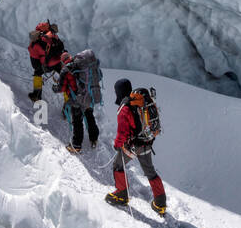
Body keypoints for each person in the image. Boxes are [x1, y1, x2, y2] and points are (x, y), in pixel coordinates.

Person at [105, 78, 167, 215]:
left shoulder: (124, 108)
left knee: (118, 166)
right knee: (150, 172)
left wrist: (117, 145)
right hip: (146, 141)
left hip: (133, 145)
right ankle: (160, 203)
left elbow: (122, 132)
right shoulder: (140, 102)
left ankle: (121, 195)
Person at [56, 50, 101, 154]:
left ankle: (76, 145)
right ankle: (94, 138)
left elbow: (61, 88)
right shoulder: (81, 66)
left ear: (63, 62)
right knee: (89, 116)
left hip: (77, 99)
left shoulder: (66, 70)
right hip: (88, 95)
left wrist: (55, 87)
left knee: (77, 121)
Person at [26, 21, 65, 101]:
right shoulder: (54, 36)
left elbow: (35, 64)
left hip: (46, 65)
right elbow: (61, 47)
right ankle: (68, 101)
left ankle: (36, 95)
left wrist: (40, 68)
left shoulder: (35, 44)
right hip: (57, 62)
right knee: (65, 77)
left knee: (37, 73)